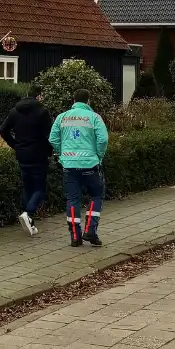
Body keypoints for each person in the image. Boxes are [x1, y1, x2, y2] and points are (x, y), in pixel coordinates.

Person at [48, 89, 109, 248]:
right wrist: (98, 156)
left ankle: (75, 237)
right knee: (96, 195)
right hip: (90, 164)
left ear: (73, 100)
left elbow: (53, 138)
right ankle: (90, 231)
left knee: (73, 200)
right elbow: (103, 139)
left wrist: (62, 153)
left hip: (69, 165)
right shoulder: (94, 117)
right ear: (88, 101)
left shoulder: (62, 117)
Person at [0, 84, 53, 237]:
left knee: (27, 187)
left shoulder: (14, 111)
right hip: (39, 154)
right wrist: (50, 151)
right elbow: (48, 135)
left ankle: (30, 222)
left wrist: (15, 144)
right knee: (40, 189)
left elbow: (3, 130)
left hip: (22, 154)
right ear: (38, 96)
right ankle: (28, 213)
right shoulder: (42, 112)